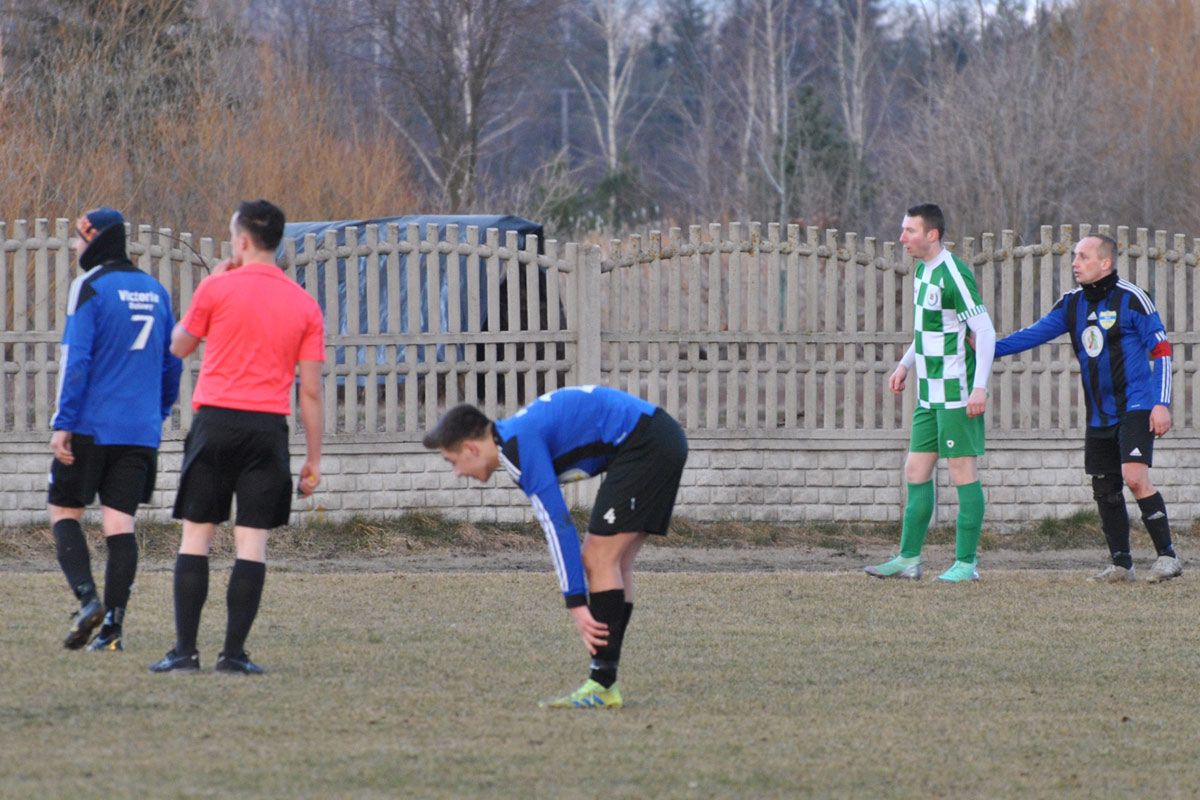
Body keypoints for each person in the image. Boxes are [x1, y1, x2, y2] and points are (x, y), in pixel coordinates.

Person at [423, 385, 688, 708]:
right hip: (656, 437)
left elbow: (558, 526)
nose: (456, 473)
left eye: (452, 462)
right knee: (613, 562)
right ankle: (604, 682)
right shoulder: (515, 438)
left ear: (470, 448)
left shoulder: (518, 447)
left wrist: (576, 602)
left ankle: (602, 684)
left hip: (647, 442)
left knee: (598, 558)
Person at [150, 199, 325, 674]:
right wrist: (313, 459)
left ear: (242, 241)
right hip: (266, 430)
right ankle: (233, 655)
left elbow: (178, 346)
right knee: (252, 543)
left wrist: (210, 288)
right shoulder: (304, 304)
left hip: (216, 423)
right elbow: (310, 392)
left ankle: (185, 652)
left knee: (196, 536)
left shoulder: (217, 286)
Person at [993, 234, 1180, 582]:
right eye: (1075, 256)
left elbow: (1162, 351)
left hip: (1137, 404)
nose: (1075, 263)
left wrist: (1161, 403)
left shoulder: (1132, 298)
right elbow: (1033, 334)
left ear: (1105, 263)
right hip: (1099, 413)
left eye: (1083, 256)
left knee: (1134, 477)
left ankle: (1168, 557)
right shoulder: (1072, 304)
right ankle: (1121, 565)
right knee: (1105, 487)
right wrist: (988, 349)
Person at [49, 206, 182, 651]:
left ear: (96, 240)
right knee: (120, 524)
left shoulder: (89, 286)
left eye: (79, 237)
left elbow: (76, 359)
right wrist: (156, 413)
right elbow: (173, 362)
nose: (75, 246)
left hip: (91, 425)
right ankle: (113, 630)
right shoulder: (157, 291)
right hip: (139, 429)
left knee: (64, 512)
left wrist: (63, 422)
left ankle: (88, 601)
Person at [866, 203, 995, 582]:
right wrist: (905, 364)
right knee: (915, 469)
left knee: (961, 471)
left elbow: (985, 331)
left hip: (956, 393)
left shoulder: (954, 273)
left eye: (910, 231)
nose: (902, 238)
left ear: (932, 235)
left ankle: (966, 564)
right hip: (928, 393)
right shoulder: (923, 271)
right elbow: (930, 330)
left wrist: (980, 387)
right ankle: (908, 559)